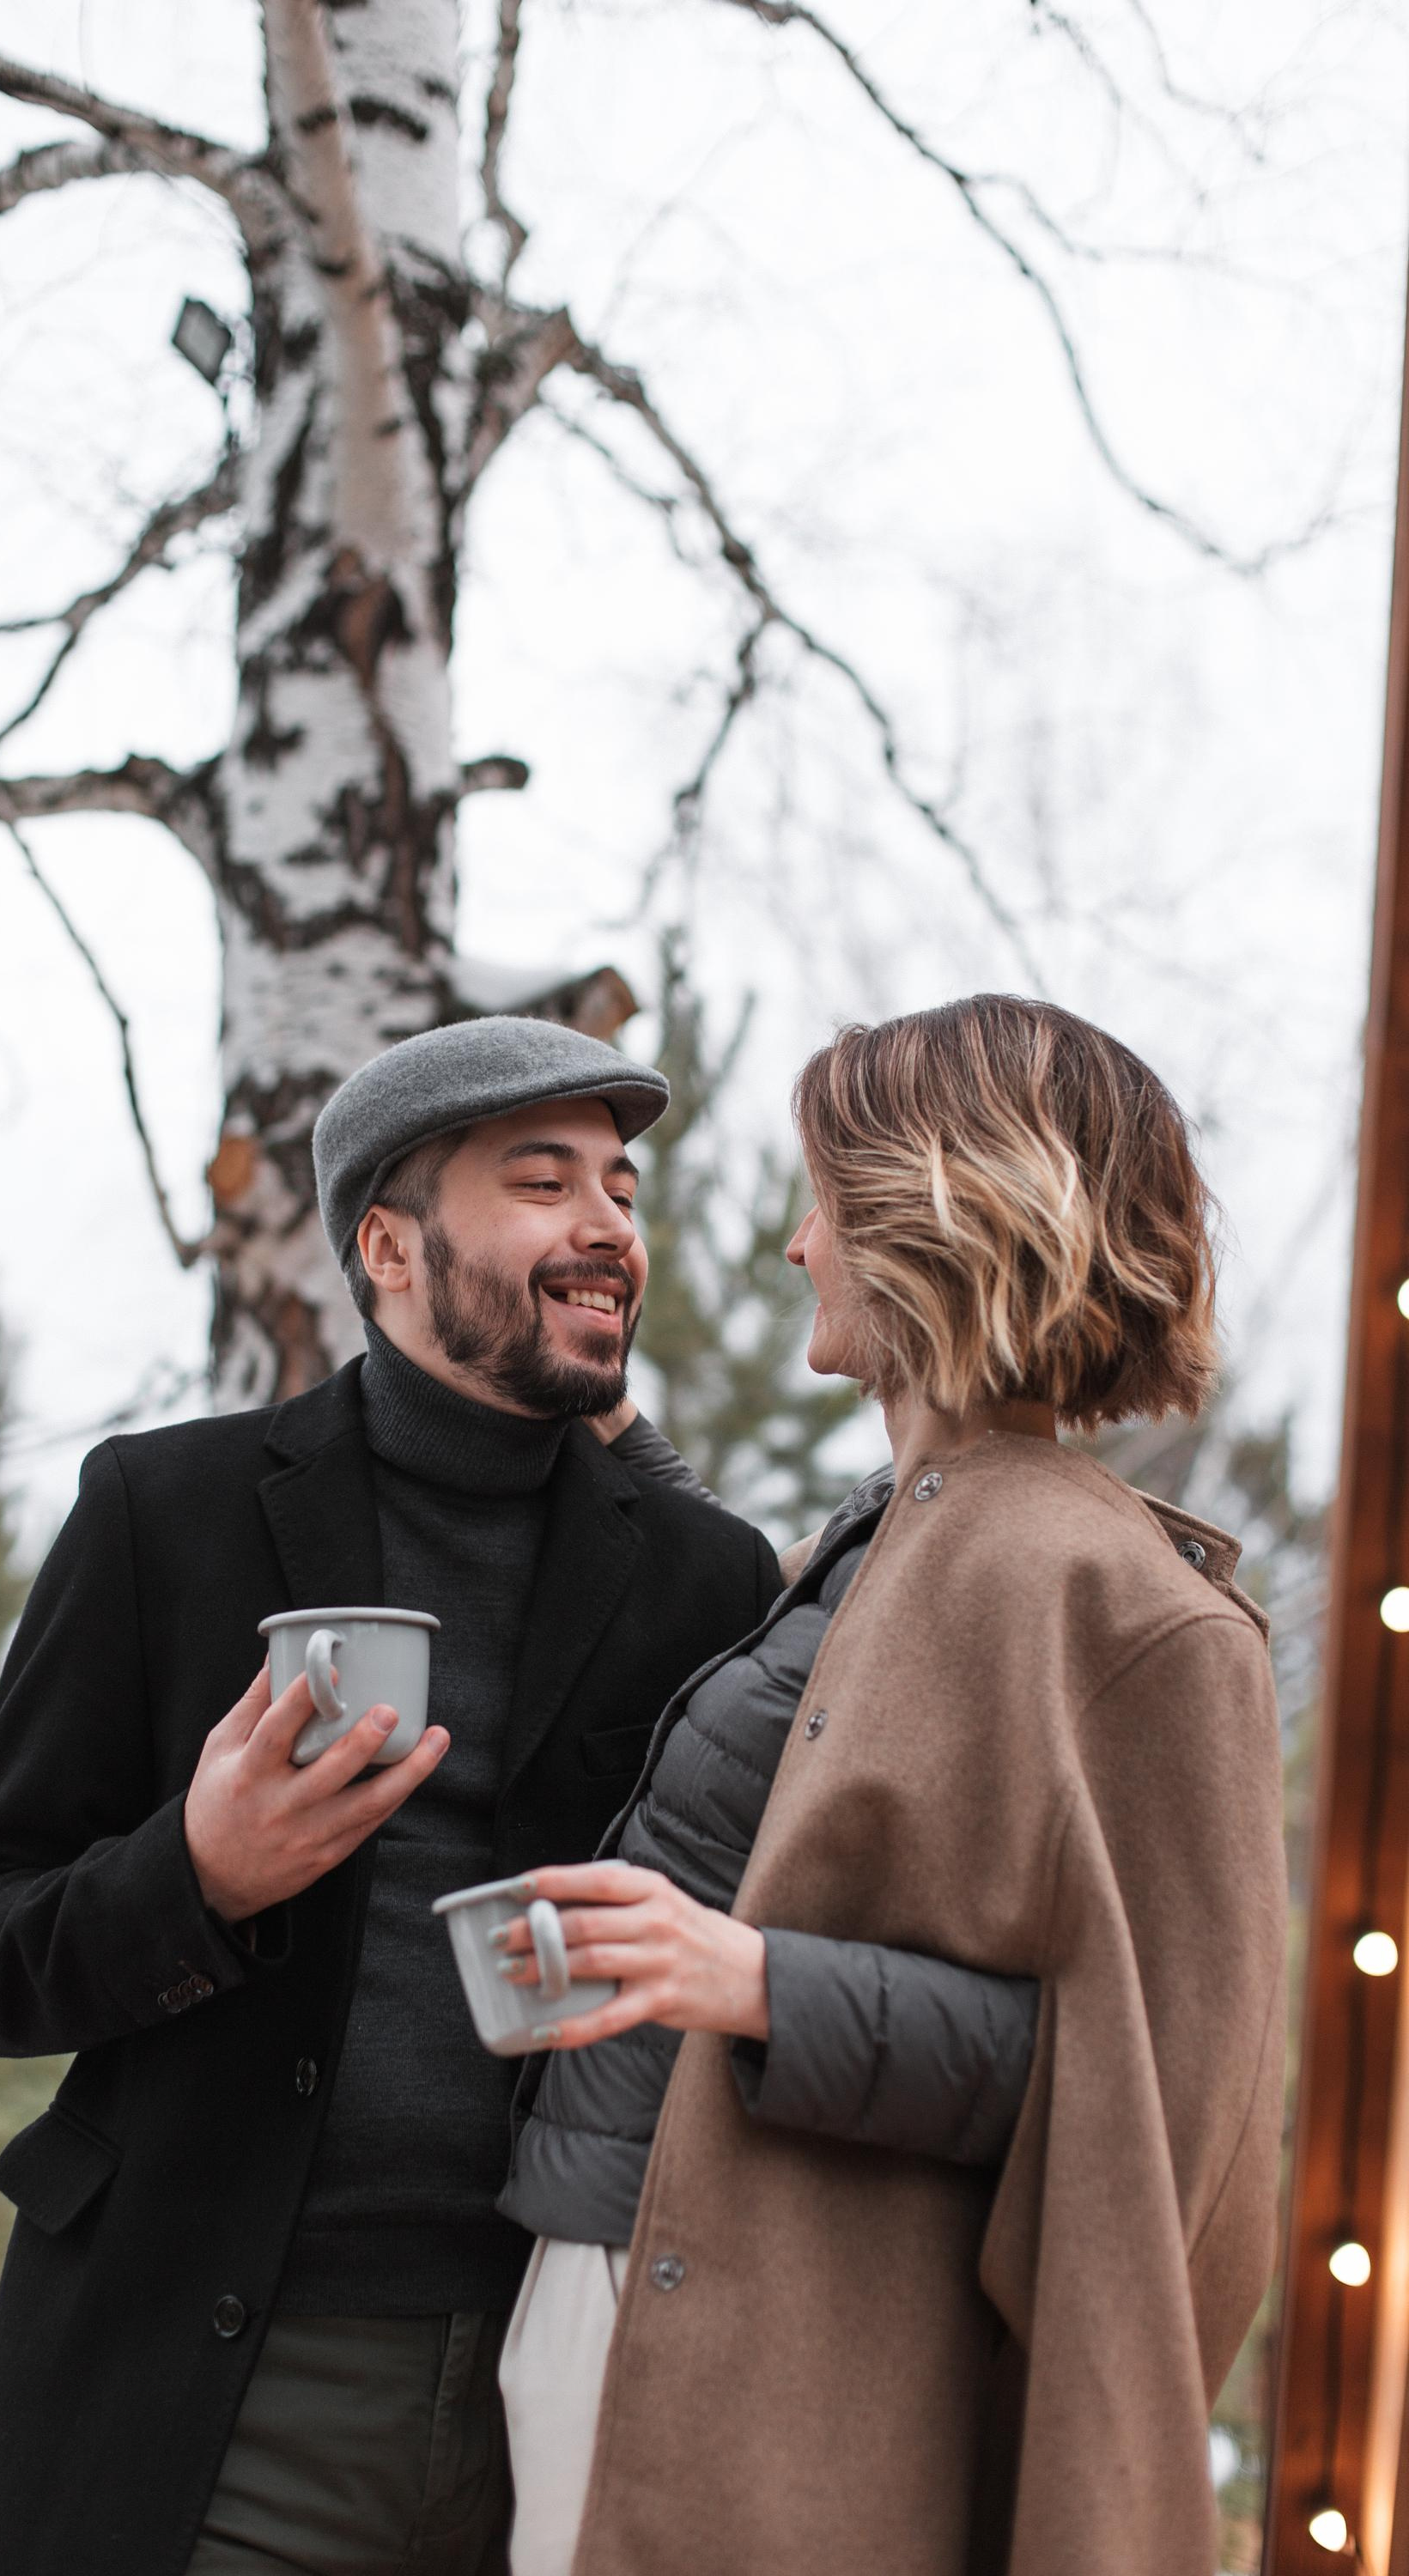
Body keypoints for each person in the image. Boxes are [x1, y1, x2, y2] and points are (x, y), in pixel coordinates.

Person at [0, 1016, 780, 2576]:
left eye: (624, 1191)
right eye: (544, 1182)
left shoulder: (702, 1580)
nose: (606, 1229)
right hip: (202, 2378)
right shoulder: (163, 1512)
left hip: (560, 2378)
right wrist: (200, 1872)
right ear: (389, 1246)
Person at [493, 994, 1287, 2576]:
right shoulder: (886, 1534)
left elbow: (1153, 2132)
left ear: (936, 1209)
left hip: (763, 2396)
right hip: (609, 2286)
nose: (795, 1246)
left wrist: (749, 1977)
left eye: (825, 1199)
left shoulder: (1122, 1606)